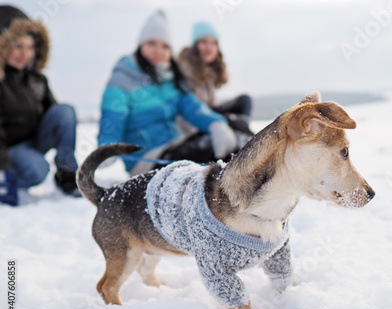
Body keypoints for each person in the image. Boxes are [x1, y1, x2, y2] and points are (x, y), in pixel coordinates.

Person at [98, 10, 237, 175]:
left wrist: (215, 123)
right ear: (141, 45)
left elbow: (193, 107)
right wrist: (106, 149)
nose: (158, 51)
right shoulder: (122, 80)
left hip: (176, 145)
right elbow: (112, 120)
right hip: (148, 160)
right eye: (152, 44)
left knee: (236, 132)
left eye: (164, 46)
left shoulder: (170, 77)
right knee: (209, 149)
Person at [0, 6, 81, 206]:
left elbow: (55, 117)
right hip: (8, 149)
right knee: (38, 169)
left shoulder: (37, 80)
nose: (25, 54)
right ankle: (6, 183)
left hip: (34, 142)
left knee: (65, 111)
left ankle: (67, 173)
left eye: (30, 47)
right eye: (18, 46)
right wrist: (2, 169)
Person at [160, 21, 253, 163]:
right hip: (192, 126)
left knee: (244, 101)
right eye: (204, 42)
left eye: (213, 43)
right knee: (233, 122)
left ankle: (243, 138)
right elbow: (186, 109)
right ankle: (248, 145)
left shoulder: (208, 70)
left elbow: (210, 104)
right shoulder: (184, 70)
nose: (209, 47)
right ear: (195, 45)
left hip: (206, 115)